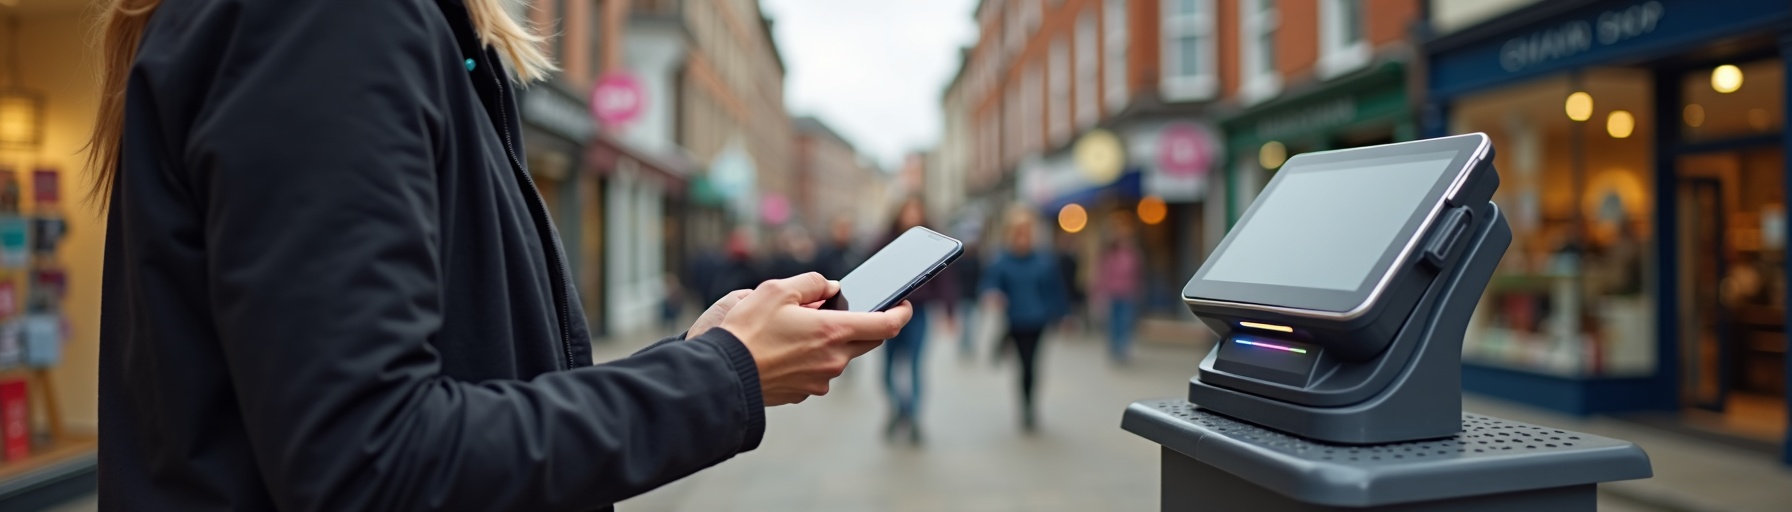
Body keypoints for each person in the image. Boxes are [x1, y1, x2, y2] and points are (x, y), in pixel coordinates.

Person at [86, 1, 912, 510]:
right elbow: (370, 463)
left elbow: (464, 383)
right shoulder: (328, 22)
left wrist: (702, 357)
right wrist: (720, 379)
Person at [981, 207, 1067, 431]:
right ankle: (1003, 345)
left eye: (1026, 232)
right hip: (1015, 319)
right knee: (1022, 365)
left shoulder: (1043, 261)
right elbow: (990, 283)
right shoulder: (1001, 260)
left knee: (1031, 366)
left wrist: (1063, 315)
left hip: (1038, 320)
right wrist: (992, 295)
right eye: (1018, 232)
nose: (1022, 237)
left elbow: (1055, 291)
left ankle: (1030, 406)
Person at [880, 197, 954, 444]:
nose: (911, 216)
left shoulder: (931, 243)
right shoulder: (885, 240)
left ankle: (912, 418)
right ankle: (901, 409)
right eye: (907, 211)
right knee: (887, 371)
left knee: (915, 367)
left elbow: (945, 279)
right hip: (887, 314)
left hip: (918, 312)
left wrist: (950, 311)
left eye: (916, 211)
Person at [1094, 223, 1144, 364]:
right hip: (1112, 294)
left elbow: (1137, 274)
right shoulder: (1109, 255)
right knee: (1113, 323)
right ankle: (1114, 349)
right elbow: (1102, 275)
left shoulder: (1133, 255)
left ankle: (1123, 350)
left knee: (1125, 322)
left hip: (1128, 293)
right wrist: (1099, 293)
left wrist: (1138, 289)